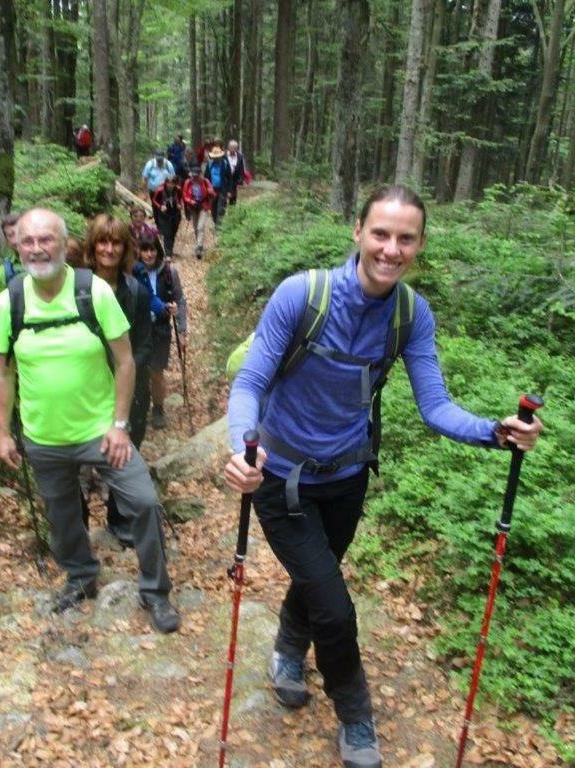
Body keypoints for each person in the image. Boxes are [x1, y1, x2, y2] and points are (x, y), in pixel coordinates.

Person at [223, 186, 543, 768]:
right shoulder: (302, 295)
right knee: (336, 605)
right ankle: (356, 714)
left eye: (405, 238)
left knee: (320, 577)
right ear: (357, 232)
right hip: (281, 478)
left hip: (348, 476)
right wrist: (242, 449)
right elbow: (249, 383)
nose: (391, 249)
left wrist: (492, 433)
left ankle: (290, 647)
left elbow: (435, 406)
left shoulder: (410, 314)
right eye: (381, 234)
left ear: (419, 245)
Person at [0, 208, 180, 633]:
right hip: (43, 435)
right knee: (61, 516)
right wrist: (4, 432)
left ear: (63, 243)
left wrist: (119, 424)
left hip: (100, 432)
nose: (37, 249)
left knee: (145, 503)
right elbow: (2, 369)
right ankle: (81, 576)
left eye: (46, 240)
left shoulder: (93, 291)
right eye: (28, 241)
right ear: (17, 247)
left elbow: (126, 360)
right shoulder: (11, 300)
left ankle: (155, 592)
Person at [83, 214, 154, 547]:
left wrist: (124, 376)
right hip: (83, 388)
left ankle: (119, 517)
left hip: (128, 387)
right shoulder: (77, 288)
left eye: (116, 243)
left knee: (125, 451)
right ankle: (77, 524)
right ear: (92, 246)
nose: (108, 249)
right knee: (75, 456)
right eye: (102, 241)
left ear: (125, 248)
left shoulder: (137, 292)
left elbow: (142, 345)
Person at [136, 233, 187, 430]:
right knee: (139, 370)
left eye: (152, 250)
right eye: (145, 250)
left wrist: (182, 328)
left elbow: (180, 300)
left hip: (161, 328)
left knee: (156, 371)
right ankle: (140, 406)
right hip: (138, 328)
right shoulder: (133, 272)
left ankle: (158, 408)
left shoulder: (168, 272)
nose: (148, 254)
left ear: (158, 251)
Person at [182, 165, 215, 259]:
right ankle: (199, 244)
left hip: (203, 206)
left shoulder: (205, 181)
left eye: (197, 175)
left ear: (200, 174)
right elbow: (184, 195)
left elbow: (212, 193)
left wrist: (209, 191)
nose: (195, 177)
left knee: (200, 227)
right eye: (194, 175)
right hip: (193, 207)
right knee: (196, 227)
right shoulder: (188, 182)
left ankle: (199, 246)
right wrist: (190, 201)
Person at [141, 149, 177, 229]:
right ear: (155, 157)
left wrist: (175, 191)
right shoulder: (150, 165)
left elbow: (174, 178)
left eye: (161, 158)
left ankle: (166, 226)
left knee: (166, 207)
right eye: (158, 159)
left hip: (166, 192)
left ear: (164, 157)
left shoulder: (168, 164)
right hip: (153, 191)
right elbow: (144, 178)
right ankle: (158, 225)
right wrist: (144, 192)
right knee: (155, 208)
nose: (159, 160)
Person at [0, 211, 25, 296]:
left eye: (19, 233)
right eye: (10, 235)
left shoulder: (48, 262)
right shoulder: (4, 271)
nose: (15, 240)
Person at [151, 175, 182, 258]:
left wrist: (179, 204)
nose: (170, 185)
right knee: (167, 233)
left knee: (173, 232)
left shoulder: (178, 189)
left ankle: (170, 250)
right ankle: (168, 254)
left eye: (172, 183)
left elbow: (181, 197)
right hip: (164, 215)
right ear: (166, 183)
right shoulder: (160, 190)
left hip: (175, 213)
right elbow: (154, 200)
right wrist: (160, 206)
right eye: (169, 183)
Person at [204, 141, 231, 228]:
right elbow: (206, 178)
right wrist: (206, 190)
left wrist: (229, 191)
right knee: (213, 208)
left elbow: (229, 178)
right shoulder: (209, 165)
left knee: (221, 207)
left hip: (222, 189)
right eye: (215, 157)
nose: (216, 158)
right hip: (212, 190)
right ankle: (216, 222)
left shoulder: (225, 164)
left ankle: (218, 226)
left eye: (218, 157)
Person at [225, 139, 247, 206]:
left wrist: (241, 179)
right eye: (231, 147)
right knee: (223, 197)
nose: (233, 149)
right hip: (225, 179)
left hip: (234, 179)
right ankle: (221, 213)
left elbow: (241, 169)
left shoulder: (240, 157)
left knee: (233, 197)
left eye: (235, 147)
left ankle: (232, 212)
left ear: (237, 148)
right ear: (228, 147)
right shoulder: (224, 155)